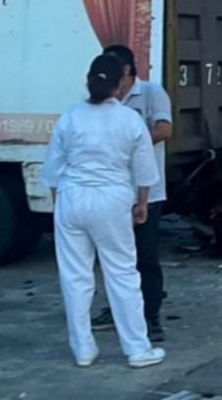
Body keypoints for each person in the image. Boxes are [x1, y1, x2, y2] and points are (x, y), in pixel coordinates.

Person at [41, 54, 165, 368]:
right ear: (120, 83)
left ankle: (83, 348)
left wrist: (61, 204)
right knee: (122, 273)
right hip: (111, 200)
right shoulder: (128, 119)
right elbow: (145, 170)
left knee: (75, 277)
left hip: (71, 197)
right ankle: (137, 348)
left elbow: (54, 170)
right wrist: (142, 203)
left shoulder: (70, 116)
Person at [91, 45, 173, 342]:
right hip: (112, 192)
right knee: (114, 257)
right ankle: (115, 311)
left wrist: (130, 141)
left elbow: (164, 130)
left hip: (147, 192)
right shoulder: (104, 99)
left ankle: (150, 317)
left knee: (145, 257)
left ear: (126, 71)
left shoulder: (151, 93)